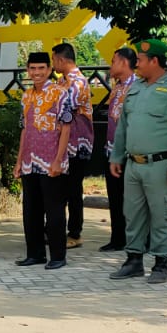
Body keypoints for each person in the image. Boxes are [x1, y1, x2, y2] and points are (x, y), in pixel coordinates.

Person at [108, 39, 167, 284]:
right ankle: (134, 260)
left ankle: (161, 264)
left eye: (140, 61)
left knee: (162, 215)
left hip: (161, 165)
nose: (136, 66)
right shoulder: (135, 89)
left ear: (154, 61)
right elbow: (123, 126)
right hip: (133, 164)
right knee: (133, 214)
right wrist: (116, 155)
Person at [14, 52, 73, 269]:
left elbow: (66, 127)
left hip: (51, 161)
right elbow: (24, 130)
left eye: (41, 68)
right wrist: (19, 160)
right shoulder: (26, 95)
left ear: (49, 70)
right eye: (32, 68)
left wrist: (59, 159)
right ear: (28, 70)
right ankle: (35, 253)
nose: (36, 72)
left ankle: (58, 256)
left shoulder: (60, 93)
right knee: (31, 210)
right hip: (29, 160)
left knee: (54, 209)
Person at [52, 42, 94, 249]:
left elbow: (62, 107)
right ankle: (56, 230)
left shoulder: (77, 83)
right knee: (60, 188)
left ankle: (75, 233)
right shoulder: (62, 81)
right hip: (63, 144)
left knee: (73, 190)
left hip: (78, 144)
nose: (52, 64)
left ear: (61, 59)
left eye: (53, 60)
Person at [101, 48, 139, 253]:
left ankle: (138, 239)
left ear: (124, 63)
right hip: (111, 150)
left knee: (132, 199)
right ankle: (117, 237)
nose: (110, 66)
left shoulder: (137, 87)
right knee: (115, 198)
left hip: (128, 152)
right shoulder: (117, 87)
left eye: (113, 61)